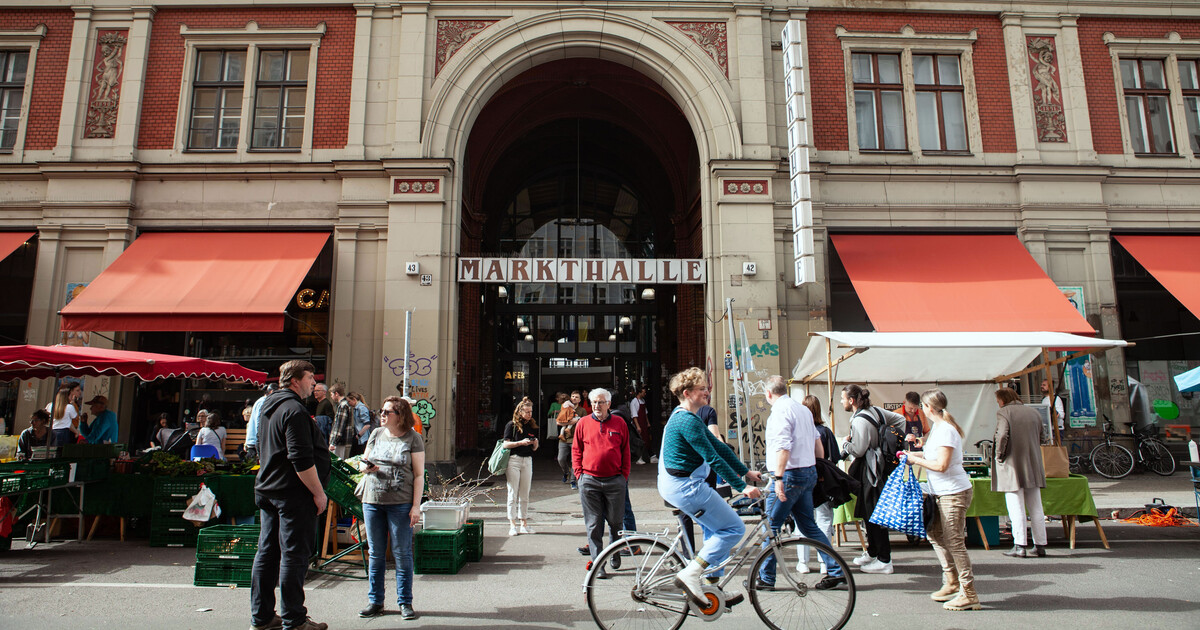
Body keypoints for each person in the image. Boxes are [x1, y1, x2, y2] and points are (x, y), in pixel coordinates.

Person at [659, 367, 763, 605]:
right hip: (685, 486)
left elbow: (720, 448)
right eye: (702, 389)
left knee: (719, 532)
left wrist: (746, 471)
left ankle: (712, 588)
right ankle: (691, 573)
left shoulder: (688, 417)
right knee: (734, 529)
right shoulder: (687, 420)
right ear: (687, 393)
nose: (707, 392)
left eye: (707, 388)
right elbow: (714, 459)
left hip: (680, 484)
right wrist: (742, 486)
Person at [250, 360, 329, 630]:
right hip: (292, 495)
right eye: (310, 378)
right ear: (295, 380)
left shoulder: (268, 407)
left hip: (269, 489)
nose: (314, 383)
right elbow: (300, 459)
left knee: (268, 553)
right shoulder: (293, 410)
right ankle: (294, 620)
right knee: (293, 556)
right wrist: (318, 493)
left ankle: (262, 618)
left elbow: (264, 448)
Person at [757, 376, 846, 590]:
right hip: (808, 472)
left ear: (769, 394)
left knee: (772, 527)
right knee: (809, 526)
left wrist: (778, 478)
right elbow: (818, 446)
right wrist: (815, 466)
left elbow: (783, 446)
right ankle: (835, 570)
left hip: (789, 475)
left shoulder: (779, 412)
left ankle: (766, 577)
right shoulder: (803, 410)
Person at [903, 389, 980, 611]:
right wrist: (911, 456)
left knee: (954, 541)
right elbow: (932, 457)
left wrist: (916, 461)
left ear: (927, 407)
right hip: (941, 492)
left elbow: (941, 465)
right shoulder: (938, 429)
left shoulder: (946, 430)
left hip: (953, 492)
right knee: (934, 533)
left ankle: (969, 593)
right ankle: (952, 581)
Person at [357, 395, 425, 621]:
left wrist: (416, 506)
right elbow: (362, 460)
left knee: (402, 553)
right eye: (382, 411)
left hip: (400, 503)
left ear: (400, 415)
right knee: (375, 553)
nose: (382, 415)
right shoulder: (376, 434)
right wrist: (366, 467)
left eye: (388, 412)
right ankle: (375, 601)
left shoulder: (413, 438)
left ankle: (405, 601)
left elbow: (418, 475)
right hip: (372, 501)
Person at [840, 384, 905, 575]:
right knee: (870, 510)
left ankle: (884, 560)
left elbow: (858, 449)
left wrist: (845, 443)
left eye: (843, 399)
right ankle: (873, 552)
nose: (842, 402)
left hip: (870, 469)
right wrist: (887, 446)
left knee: (873, 512)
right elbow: (900, 420)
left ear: (851, 401)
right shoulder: (875, 411)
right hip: (879, 466)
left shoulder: (860, 420)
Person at [572, 387, 630, 566]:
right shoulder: (583, 423)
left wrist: (623, 476)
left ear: (609, 404)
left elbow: (626, 450)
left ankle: (614, 553)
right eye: (594, 402)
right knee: (594, 524)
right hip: (590, 480)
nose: (597, 405)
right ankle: (598, 564)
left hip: (615, 480)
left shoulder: (620, 423)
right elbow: (576, 450)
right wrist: (579, 475)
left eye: (600, 402)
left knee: (615, 522)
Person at [993, 387, 1048, 558]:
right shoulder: (1033, 412)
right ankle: (1040, 545)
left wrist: (999, 455)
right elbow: (1043, 437)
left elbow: (1002, 435)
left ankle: (1019, 545)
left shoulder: (1004, 413)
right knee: (1036, 506)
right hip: (1033, 464)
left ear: (1003, 400)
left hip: (1013, 464)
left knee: (1015, 505)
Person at [799, 394, 839, 574]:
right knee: (824, 521)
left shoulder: (800, 431)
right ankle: (825, 563)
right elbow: (834, 457)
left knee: (803, 522)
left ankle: (803, 562)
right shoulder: (825, 432)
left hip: (802, 479)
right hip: (821, 480)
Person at [503, 397, 539, 536]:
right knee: (513, 492)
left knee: (525, 493)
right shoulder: (511, 425)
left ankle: (524, 523)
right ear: (520, 412)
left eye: (531, 411)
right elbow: (506, 444)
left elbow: (535, 448)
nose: (529, 414)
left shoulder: (532, 426)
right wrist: (521, 443)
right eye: (527, 411)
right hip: (514, 460)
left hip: (527, 460)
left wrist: (535, 443)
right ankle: (512, 524)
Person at [245, 383, 277, 461]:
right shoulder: (263, 402)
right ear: (271, 392)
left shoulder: (262, 401)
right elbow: (259, 423)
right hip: (256, 442)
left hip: (255, 441)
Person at [631, 387, 657, 465]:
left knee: (647, 440)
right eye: (643, 392)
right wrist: (638, 426)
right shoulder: (634, 402)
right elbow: (634, 415)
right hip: (639, 423)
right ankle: (639, 457)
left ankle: (651, 456)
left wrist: (648, 422)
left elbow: (645, 414)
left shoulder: (643, 401)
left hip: (644, 423)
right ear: (639, 393)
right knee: (639, 441)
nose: (644, 394)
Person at [328, 383, 355, 458]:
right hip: (343, 441)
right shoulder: (345, 404)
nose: (331, 396)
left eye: (331, 394)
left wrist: (333, 442)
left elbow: (340, 425)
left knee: (338, 462)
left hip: (341, 442)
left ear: (336, 393)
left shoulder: (343, 405)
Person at [556, 396, 578, 487]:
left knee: (574, 461)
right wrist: (570, 423)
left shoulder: (581, 410)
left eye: (577, 397)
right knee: (560, 459)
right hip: (564, 440)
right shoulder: (564, 407)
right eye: (573, 396)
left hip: (575, 439)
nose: (574, 398)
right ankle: (566, 472)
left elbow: (583, 421)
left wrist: (577, 420)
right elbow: (558, 422)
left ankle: (573, 481)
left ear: (580, 399)